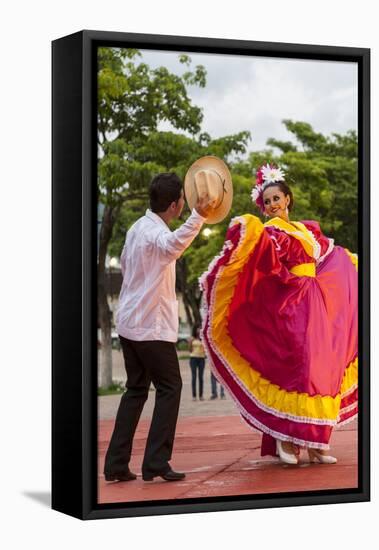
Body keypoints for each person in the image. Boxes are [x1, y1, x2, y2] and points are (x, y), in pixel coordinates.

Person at [200, 163, 358, 465]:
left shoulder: (306, 229)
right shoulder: (271, 231)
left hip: (316, 302)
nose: (272, 205)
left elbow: (328, 255)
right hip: (290, 302)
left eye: (276, 198)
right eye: (267, 201)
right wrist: (249, 229)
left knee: (319, 371)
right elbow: (266, 260)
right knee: (296, 369)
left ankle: (316, 443)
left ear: (288, 199)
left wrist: (350, 264)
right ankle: (286, 440)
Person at [103, 172, 214, 483]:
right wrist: (199, 216)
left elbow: (128, 265)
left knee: (135, 390)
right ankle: (155, 462)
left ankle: (116, 464)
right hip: (150, 326)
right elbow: (172, 245)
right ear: (176, 205)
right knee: (170, 388)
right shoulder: (155, 234)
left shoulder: (137, 228)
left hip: (128, 324)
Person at [188, 326, 206, 401]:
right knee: (194, 377)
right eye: (197, 328)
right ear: (195, 330)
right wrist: (190, 342)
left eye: (200, 328)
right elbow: (189, 349)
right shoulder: (192, 338)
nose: (198, 330)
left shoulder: (203, 338)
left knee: (201, 377)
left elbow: (206, 349)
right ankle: (194, 396)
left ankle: (201, 395)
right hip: (193, 358)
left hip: (202, 358)